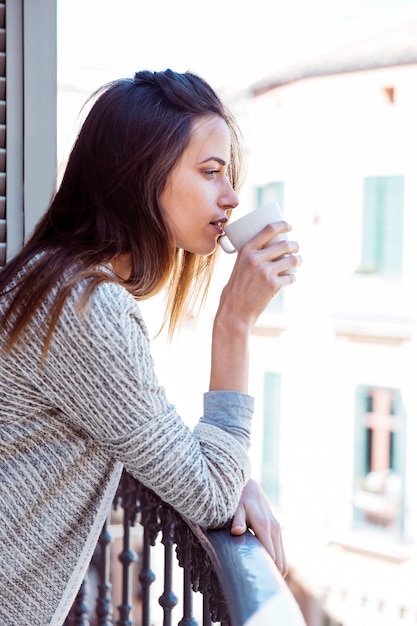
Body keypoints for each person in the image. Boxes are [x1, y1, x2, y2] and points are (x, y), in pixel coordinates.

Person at [0, 69, 301, 625]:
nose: (232, 198)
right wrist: (233, 324)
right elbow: (210, 493)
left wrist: (235, 475)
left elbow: (153, 439)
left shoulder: (58, 280)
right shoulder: (85, 304)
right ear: (141, 177)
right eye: (211, 172)